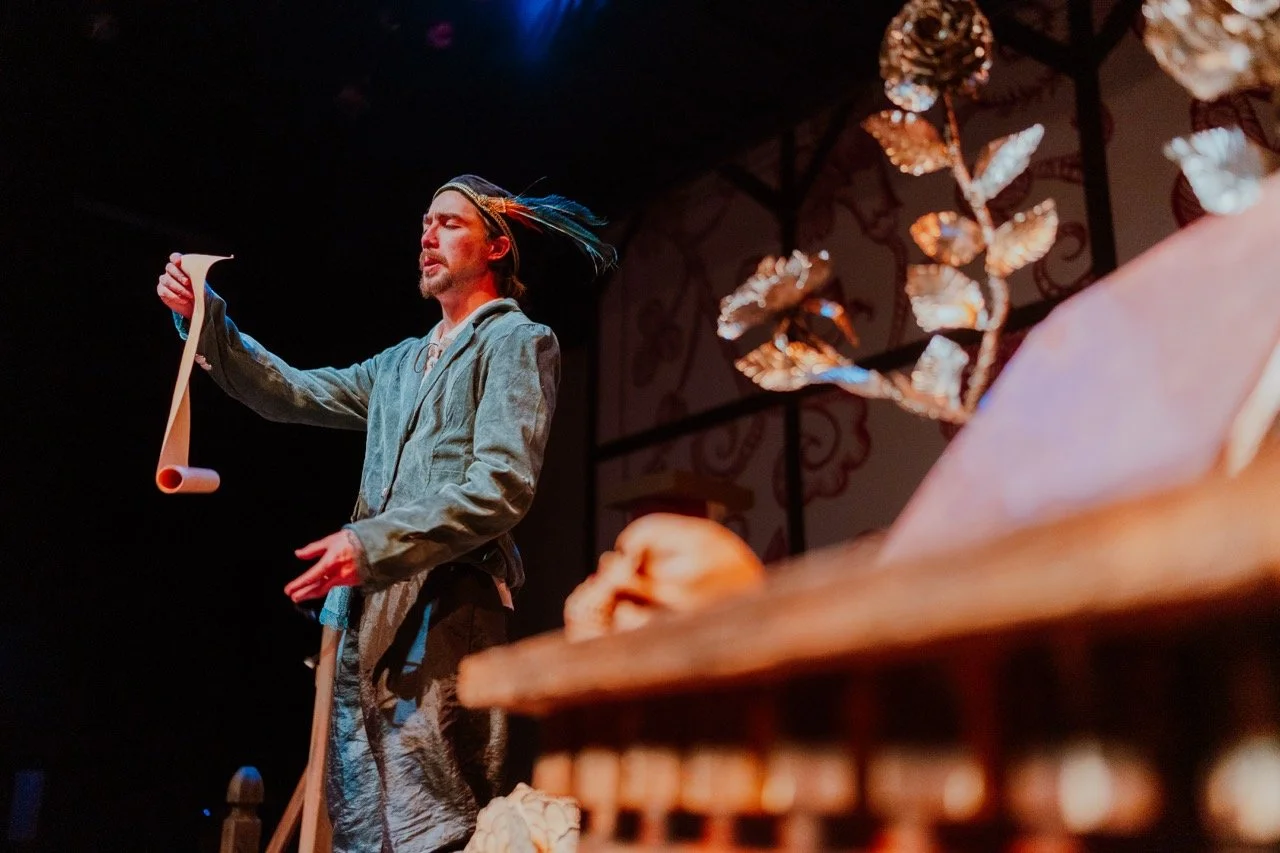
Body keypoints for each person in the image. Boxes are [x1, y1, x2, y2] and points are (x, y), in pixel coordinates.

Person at [156, 174, 615, 853]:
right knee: (363, 817)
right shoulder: (401, 363)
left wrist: (370, 542)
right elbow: (293, 392)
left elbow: (501, 486)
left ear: (496, 247)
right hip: (365, 607)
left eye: (449, 222)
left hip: (446, 596)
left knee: (432, 810)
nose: (428, 234)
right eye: (424, 223)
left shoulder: (516, 341)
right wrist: (207, 320)